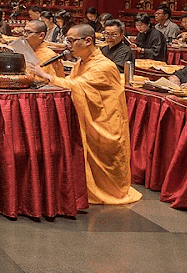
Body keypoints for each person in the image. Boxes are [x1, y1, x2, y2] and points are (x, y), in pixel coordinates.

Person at [22, 25, 141, 206]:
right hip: (92, 120)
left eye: (70, 41)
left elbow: (76, 86)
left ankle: (111, 190)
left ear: (88, 41)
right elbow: (73, 83)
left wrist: (47, 76)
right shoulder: (82, 62)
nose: (67, 45)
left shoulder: (104, 66)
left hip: (104, 125)